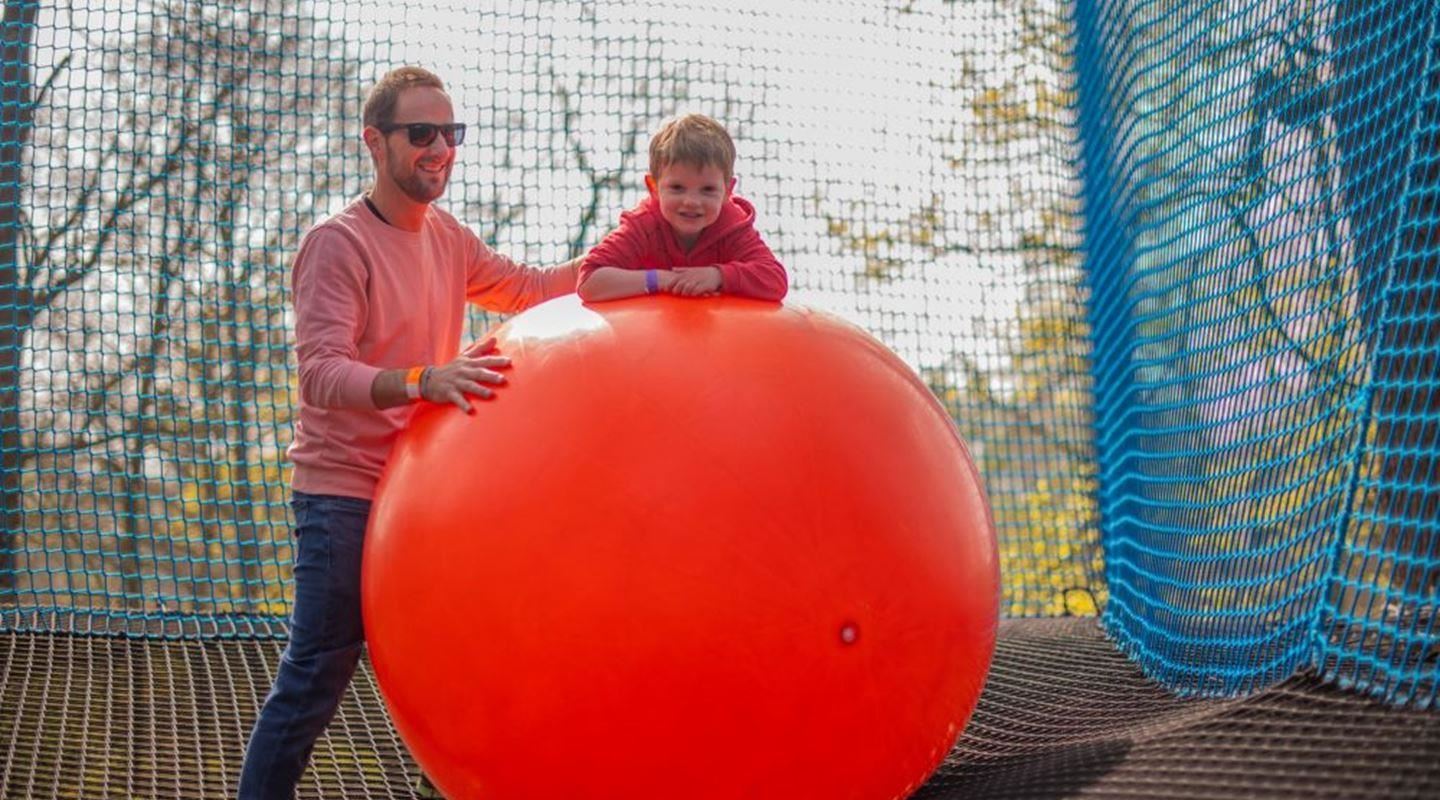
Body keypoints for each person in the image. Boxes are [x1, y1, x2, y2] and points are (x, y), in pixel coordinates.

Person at [238, 66, 578, 799]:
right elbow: (321, 376)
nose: (439, 149)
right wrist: (424, 380)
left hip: (426, 501)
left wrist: (645, 253)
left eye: (450, 134)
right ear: (375, 142)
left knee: (452, 664)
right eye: (420, 133)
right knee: (317, 674)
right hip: (345, 500)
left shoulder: (449, 238)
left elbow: (531, 289)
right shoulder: (337, 244)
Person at [576, 113, 788, 302]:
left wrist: (717, 275)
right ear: (654, 188)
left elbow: (775, 280)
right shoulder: (644, 224)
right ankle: (549, 279)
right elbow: (589, 281)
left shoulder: (732, 228)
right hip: (644, 310)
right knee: (583, 266)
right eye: (677, 188)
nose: (692, 201)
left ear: (728, 191)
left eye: (707, 190)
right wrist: (662, 279)